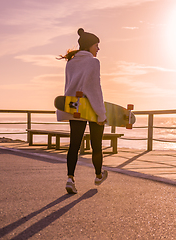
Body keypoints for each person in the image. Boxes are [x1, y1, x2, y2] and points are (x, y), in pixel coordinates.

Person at [57, 28, 108, 194]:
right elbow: (93, 88)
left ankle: (70, 178)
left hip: (73, 107)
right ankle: (99, 175)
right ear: (89, 46)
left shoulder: (71, 62)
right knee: (96, 144)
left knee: (74, 144)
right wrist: (101, 113)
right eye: (96, 45)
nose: (98, 49)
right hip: (90, 108)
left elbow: (68, 86)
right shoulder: (93, 62)